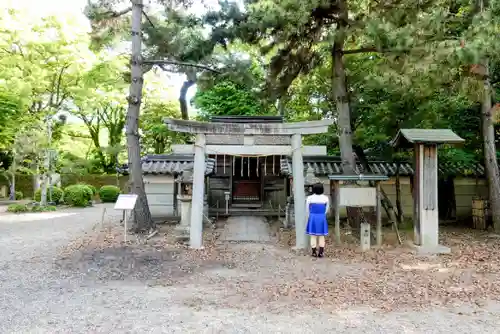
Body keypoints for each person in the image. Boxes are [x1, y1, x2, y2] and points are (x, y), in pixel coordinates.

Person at [305, 182, 330, 257]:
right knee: (321, 235)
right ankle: (321, 252)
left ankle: (313, 252)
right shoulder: (325, 198)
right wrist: (322, 214)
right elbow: (326, 209)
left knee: (313, 235)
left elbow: (307, 209)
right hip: (321, 217)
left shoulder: (309, 198)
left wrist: (310, 215)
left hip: (312, 217)